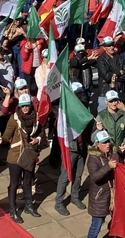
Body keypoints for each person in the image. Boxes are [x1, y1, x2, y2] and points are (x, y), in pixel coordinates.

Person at [0, 94, 46, 223]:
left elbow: (41, 133)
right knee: (14, 184)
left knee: (27, 182)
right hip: (15, 156)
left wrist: (37, 139)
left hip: (29, 154)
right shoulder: (14, 119)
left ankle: (28, 206)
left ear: (30, 105)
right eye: (22, 106)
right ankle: (13, 210)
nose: (24, 108)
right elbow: (5, 136)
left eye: (26, 105)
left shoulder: (36, 117)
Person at [54, 84, 92, 216]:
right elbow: (58, 126)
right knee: (65, 176)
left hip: (82, 147)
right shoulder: (65, 110)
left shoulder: (83, 106)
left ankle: (75, 197)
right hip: (70, 148)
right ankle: (59, 202)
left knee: (79, 174)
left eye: (81, 92)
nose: (79, 95)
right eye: (77, 93)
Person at [87, 130, 119, 238]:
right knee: (96, 226)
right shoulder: (92, 159)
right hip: (99, 198)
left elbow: (117, 162)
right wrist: (108, 167)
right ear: (97, 144)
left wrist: (119, 152)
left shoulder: (109, 153)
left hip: (111, 195)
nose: (107, 144)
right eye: (104, 142)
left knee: (117, 222)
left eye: (108, 141)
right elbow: (95, 177)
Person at [96, 90, 125, 154]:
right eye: (111, 101)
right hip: (107, 153)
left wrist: (124, 142)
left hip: (120, 151)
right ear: (106, 101)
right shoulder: (101, 116)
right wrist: (98, 130)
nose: (113, 103)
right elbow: (93, 138)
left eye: (115, 100)